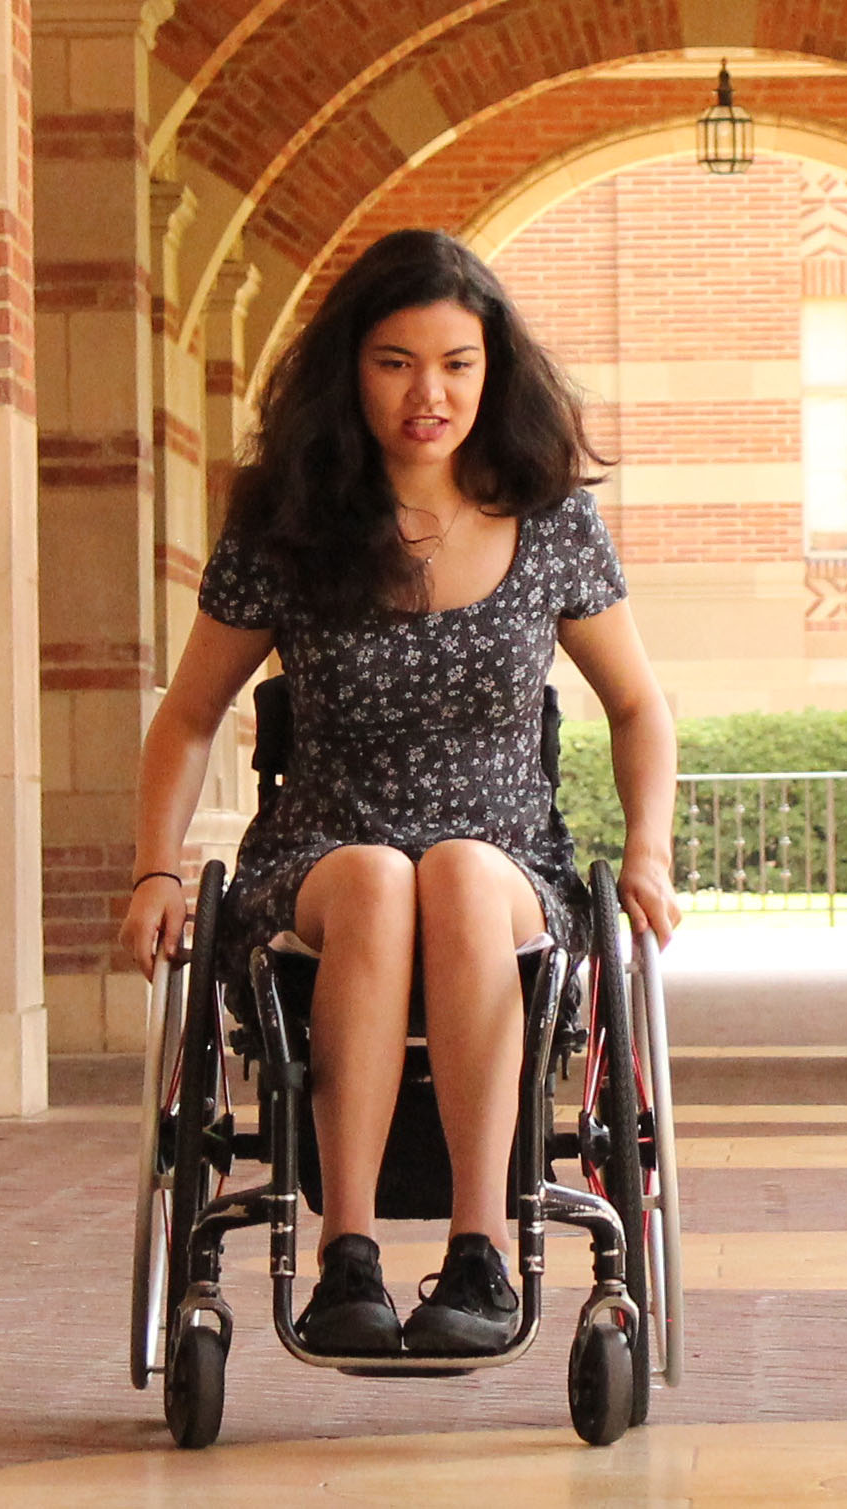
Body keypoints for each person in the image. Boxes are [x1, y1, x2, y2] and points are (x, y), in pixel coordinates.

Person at [113, 227, 684, 1361]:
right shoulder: (288, 518)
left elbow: (638, 707)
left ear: (492, 370)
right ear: (351, 370)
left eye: (456, 363)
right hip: (326, 848)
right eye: (395, 362)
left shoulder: (551, 515)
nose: (430, 393)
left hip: (504, 853)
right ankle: (349, 1256)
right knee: (382, 881)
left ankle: (482, 1250)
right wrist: (154, 873)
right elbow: (187, 715)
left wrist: (650, 854)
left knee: (462, 872)